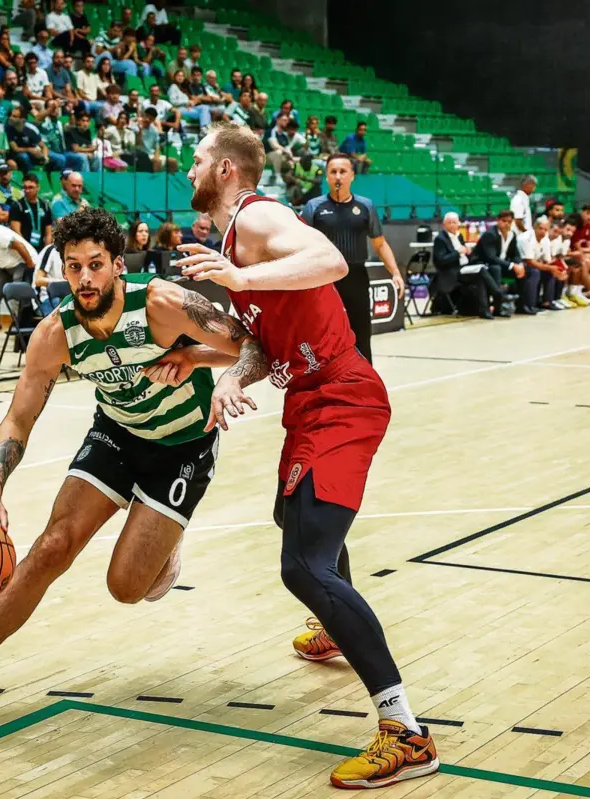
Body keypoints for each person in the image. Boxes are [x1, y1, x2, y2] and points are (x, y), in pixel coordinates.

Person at [0, 207, 266, 740]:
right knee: (51, 546)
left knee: (126, 587)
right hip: (116, 436)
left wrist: (206, 362)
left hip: (183, 445)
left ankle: (164, 541)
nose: (85, 278)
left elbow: (258, 344)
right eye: (73, 267)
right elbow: (19, 416)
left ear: (118, 265)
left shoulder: (165, 305)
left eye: (95, 264)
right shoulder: (56, 334)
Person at [157, 123, 438, 790]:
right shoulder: (237, 245)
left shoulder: (260, 219)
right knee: (295, 522)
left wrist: (238, 273)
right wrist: (229, 375)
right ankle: (338, 628)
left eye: (198, 159)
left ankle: (406, 731)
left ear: (226, 170)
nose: (188, 167)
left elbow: (332, 263)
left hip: (344, 398)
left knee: (304, 566)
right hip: (308, 400)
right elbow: (266, 338)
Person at [301, 153, 405, 360]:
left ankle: (365, 382)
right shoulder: (313, 207)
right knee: (323, 333)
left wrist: (395, 273)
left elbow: (380, 243)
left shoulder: (366, 206)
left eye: (343, 171)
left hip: (356, 276)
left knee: (361, 333)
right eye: (333, 172)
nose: (338, 176)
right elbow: (300, 245)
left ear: (352, 176)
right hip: (324, 279)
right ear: (327, 177)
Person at [430, 212, 508, 319]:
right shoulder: (440, 239)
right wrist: (458, 252)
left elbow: (464, 255)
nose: (452, 225)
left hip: (464, 268)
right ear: (444, 224)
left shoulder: (459, 236)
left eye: (454, 222)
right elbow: (441, 260)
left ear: (458, 224)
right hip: (451, 272)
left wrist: (468, 252)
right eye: (449, 223)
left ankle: (486, 310)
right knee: (480, 271)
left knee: (482, 273)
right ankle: (497, 293)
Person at [475, 210, 536, 314]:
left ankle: (522, 305)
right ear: (498, 221)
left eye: (509, 222)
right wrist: (512, 265)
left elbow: (515, 254)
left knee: (528, 270)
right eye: (504, 221)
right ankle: (498, 308)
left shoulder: (512, 235)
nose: (507, 224)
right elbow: (491, 257)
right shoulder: (490, 234)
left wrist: (519, 265)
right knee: (496, 269)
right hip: (484, 265)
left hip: (501, 264)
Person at [10, 173, 54, 251]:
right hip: (23, 249)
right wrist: (28, 250)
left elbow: (48, 233)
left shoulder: (45, 206)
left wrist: (46, 251)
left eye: (31, 187)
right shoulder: (17, 206)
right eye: (25, 188)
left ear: (38, 187)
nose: (27, 191)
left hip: (41, 248)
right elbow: (16, 232)